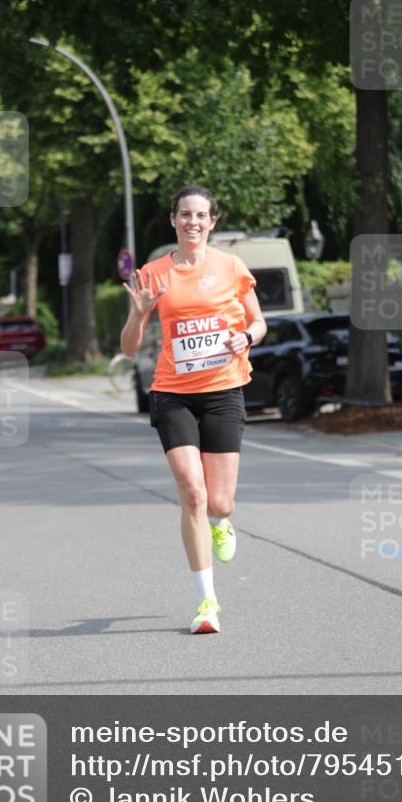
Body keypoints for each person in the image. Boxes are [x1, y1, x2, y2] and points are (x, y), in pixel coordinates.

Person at [120, 185, 266, 634]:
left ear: (212, 222)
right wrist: (138, 313)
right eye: (185, 214)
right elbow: (128, 349)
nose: (193, 222)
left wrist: (247, 338)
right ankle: (207, 603)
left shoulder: (231, 267)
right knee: (193, 493)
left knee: (219, 502)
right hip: (173, 394)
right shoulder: (153, 274)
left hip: (223, 390)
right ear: (173, 220)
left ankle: (223, 523)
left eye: (201, 215)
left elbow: (258, 322)